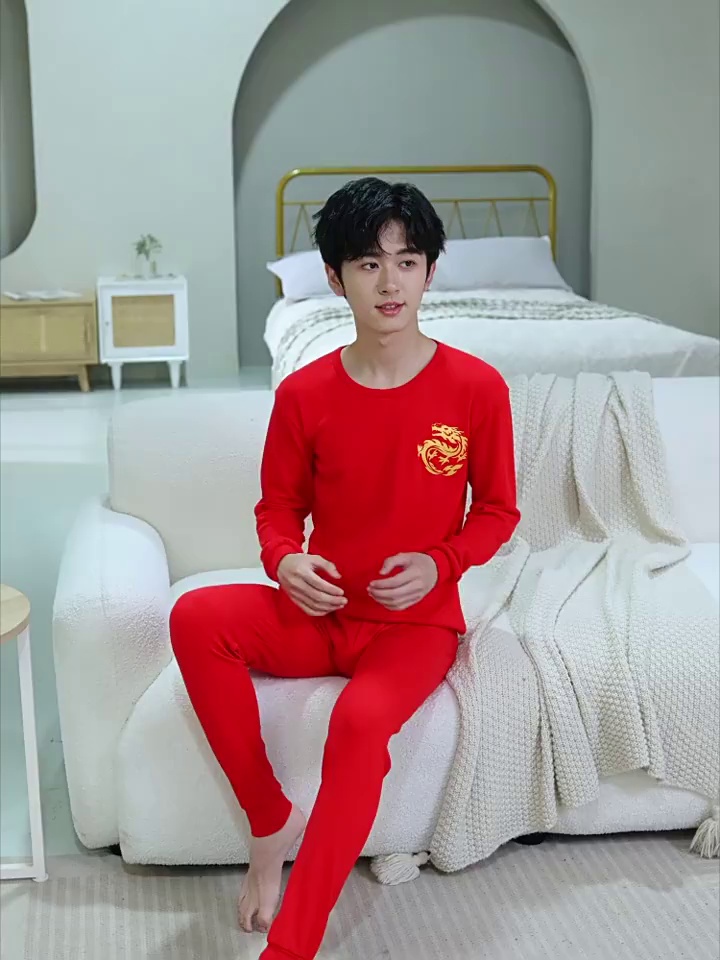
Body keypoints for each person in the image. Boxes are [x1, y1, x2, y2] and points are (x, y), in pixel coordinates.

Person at [169, 177, 521, 960]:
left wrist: (442, 563)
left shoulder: (476, 388)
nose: (390, 281)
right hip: (321, 614)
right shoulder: (305, 394)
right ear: (334, 278)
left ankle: (291, 947)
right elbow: (276, 508)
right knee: (195, 617)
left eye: (407, 261)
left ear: (430, 271)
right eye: (368, 263)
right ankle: (268, 820)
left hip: (414, 628)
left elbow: (499, 511)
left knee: (359, 723)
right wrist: (285, 559)